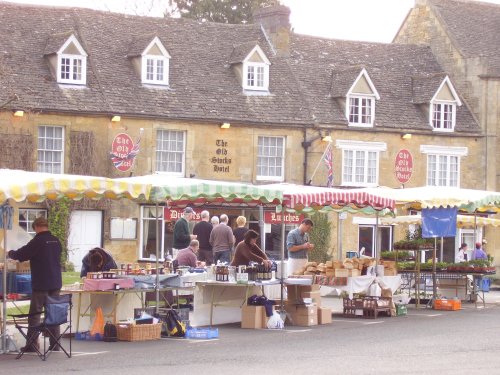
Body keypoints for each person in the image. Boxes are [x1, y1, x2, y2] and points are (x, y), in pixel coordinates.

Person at [8, 217, 62, 352]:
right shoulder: (56, 241)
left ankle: (32, 344)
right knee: (53, 312)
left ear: (36, 227)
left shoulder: (37, 241)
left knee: (35, 314)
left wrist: (10, 253)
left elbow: (22, 254)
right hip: (55, 282)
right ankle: (55, 343)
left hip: (41, 283)